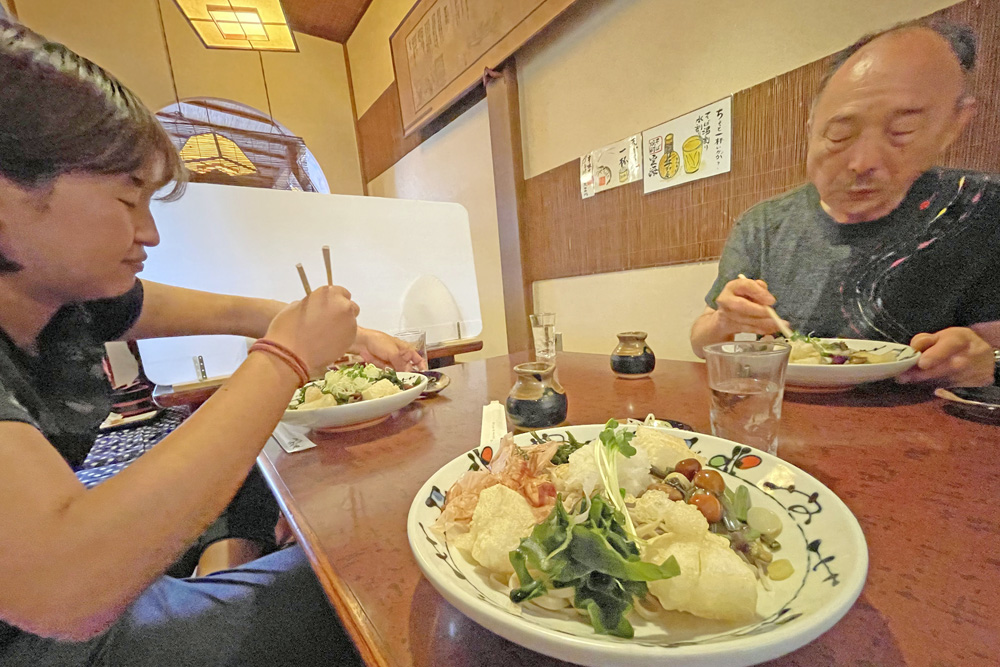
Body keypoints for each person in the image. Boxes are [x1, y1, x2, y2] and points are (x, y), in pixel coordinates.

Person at [0, 19, 421, 666]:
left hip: (76, 601)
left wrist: (344, 334)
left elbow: (212, 308)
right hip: (49, 636)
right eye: (127, 198)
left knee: (253, 466)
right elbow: (63, 590)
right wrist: (286, 357)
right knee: (370, 578)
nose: (151, 234)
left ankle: (214, 583)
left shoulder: (62, 298)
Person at [690, 20, 999, 387]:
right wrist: (726, 322)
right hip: (785, 418)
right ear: (810, 128)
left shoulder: (981, 208)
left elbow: (989, 348)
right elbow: (701, 340)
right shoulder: (763, 224)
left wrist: (986, 361)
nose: (862, 162)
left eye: (901, 131)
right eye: (840, 134)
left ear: (953, 124)